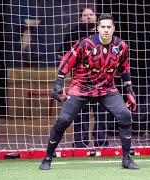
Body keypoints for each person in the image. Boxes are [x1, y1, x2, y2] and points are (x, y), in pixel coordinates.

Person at [39, 13, 139, 170]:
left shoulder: (121, 46)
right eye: (103, 27)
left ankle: (126, 159)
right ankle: (47, 158)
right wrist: (58, 83)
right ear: (98, 28)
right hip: (80, 87)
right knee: (63, 120)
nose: (106, 30)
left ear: (114, 28)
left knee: (125, 115)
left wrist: (129, 90)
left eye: (109, 27)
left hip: (107, 89)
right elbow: (66, 61)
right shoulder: (85, 43)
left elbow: (124, 68)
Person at [57, 5, 109, 148]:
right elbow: (61, 53)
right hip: (80, 82)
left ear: (96, 17)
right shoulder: (74, 33)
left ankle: (101, 142)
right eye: (85, 15)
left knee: (102, 114)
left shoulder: (103, 33)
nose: (88, 17)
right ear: (80, 18)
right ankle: (80, 143)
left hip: (101, 81)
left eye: (90, 14)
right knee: (81, 114)